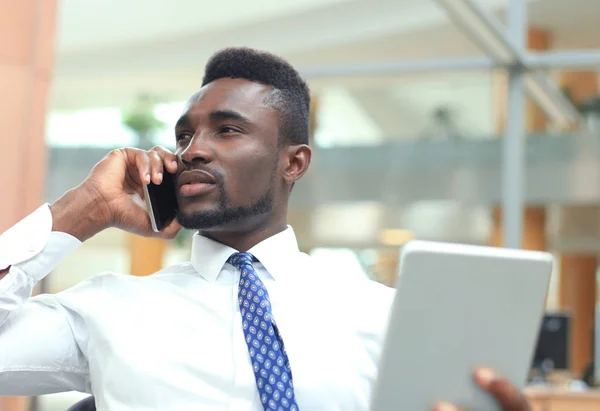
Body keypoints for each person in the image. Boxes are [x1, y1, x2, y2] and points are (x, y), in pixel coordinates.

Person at [0, 47, 531, 411]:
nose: (194, 150)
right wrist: (83, 207)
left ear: (293, 162)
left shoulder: (384, 315)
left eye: (227, 130)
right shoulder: (106, 309)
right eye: (184, 136)